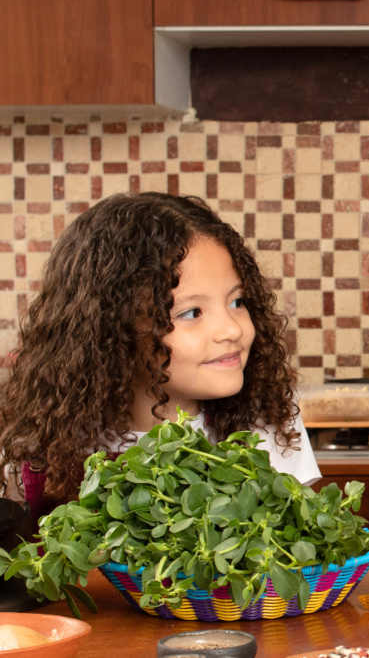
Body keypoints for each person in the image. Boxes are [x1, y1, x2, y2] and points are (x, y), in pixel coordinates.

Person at [0, 193, 319, 519]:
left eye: (237, 302)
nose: (232, 329)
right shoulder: (43, 437)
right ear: (114, 327)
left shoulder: (267, 422)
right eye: (192, 312)